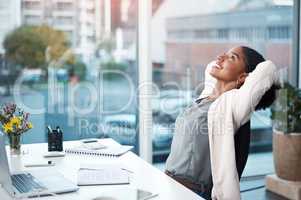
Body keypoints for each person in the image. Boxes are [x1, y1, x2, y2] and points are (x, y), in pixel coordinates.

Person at [165, 46, 279, 200]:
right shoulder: (205, 98)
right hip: (168, 184)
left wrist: (244, 77)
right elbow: (210, 67)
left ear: (244, 77)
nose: (220, 57)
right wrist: (225, 60)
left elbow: (268, 69)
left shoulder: (231, 107)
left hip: (191, 194)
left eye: (232, 57)